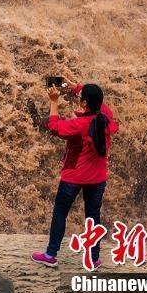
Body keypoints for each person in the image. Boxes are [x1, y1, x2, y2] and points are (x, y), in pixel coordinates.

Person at [32, 81, 119, 268]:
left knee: (60, 213)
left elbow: (54, 127)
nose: (79, 100)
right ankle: (94, 259)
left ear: (84, 104)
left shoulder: (78, 124)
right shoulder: (106, 118)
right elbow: (102, 107)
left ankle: (51, 254)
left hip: (74, 176)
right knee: (93, 217)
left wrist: (54, 101)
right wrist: (76, 87)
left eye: (81, 98)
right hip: (97, 178)